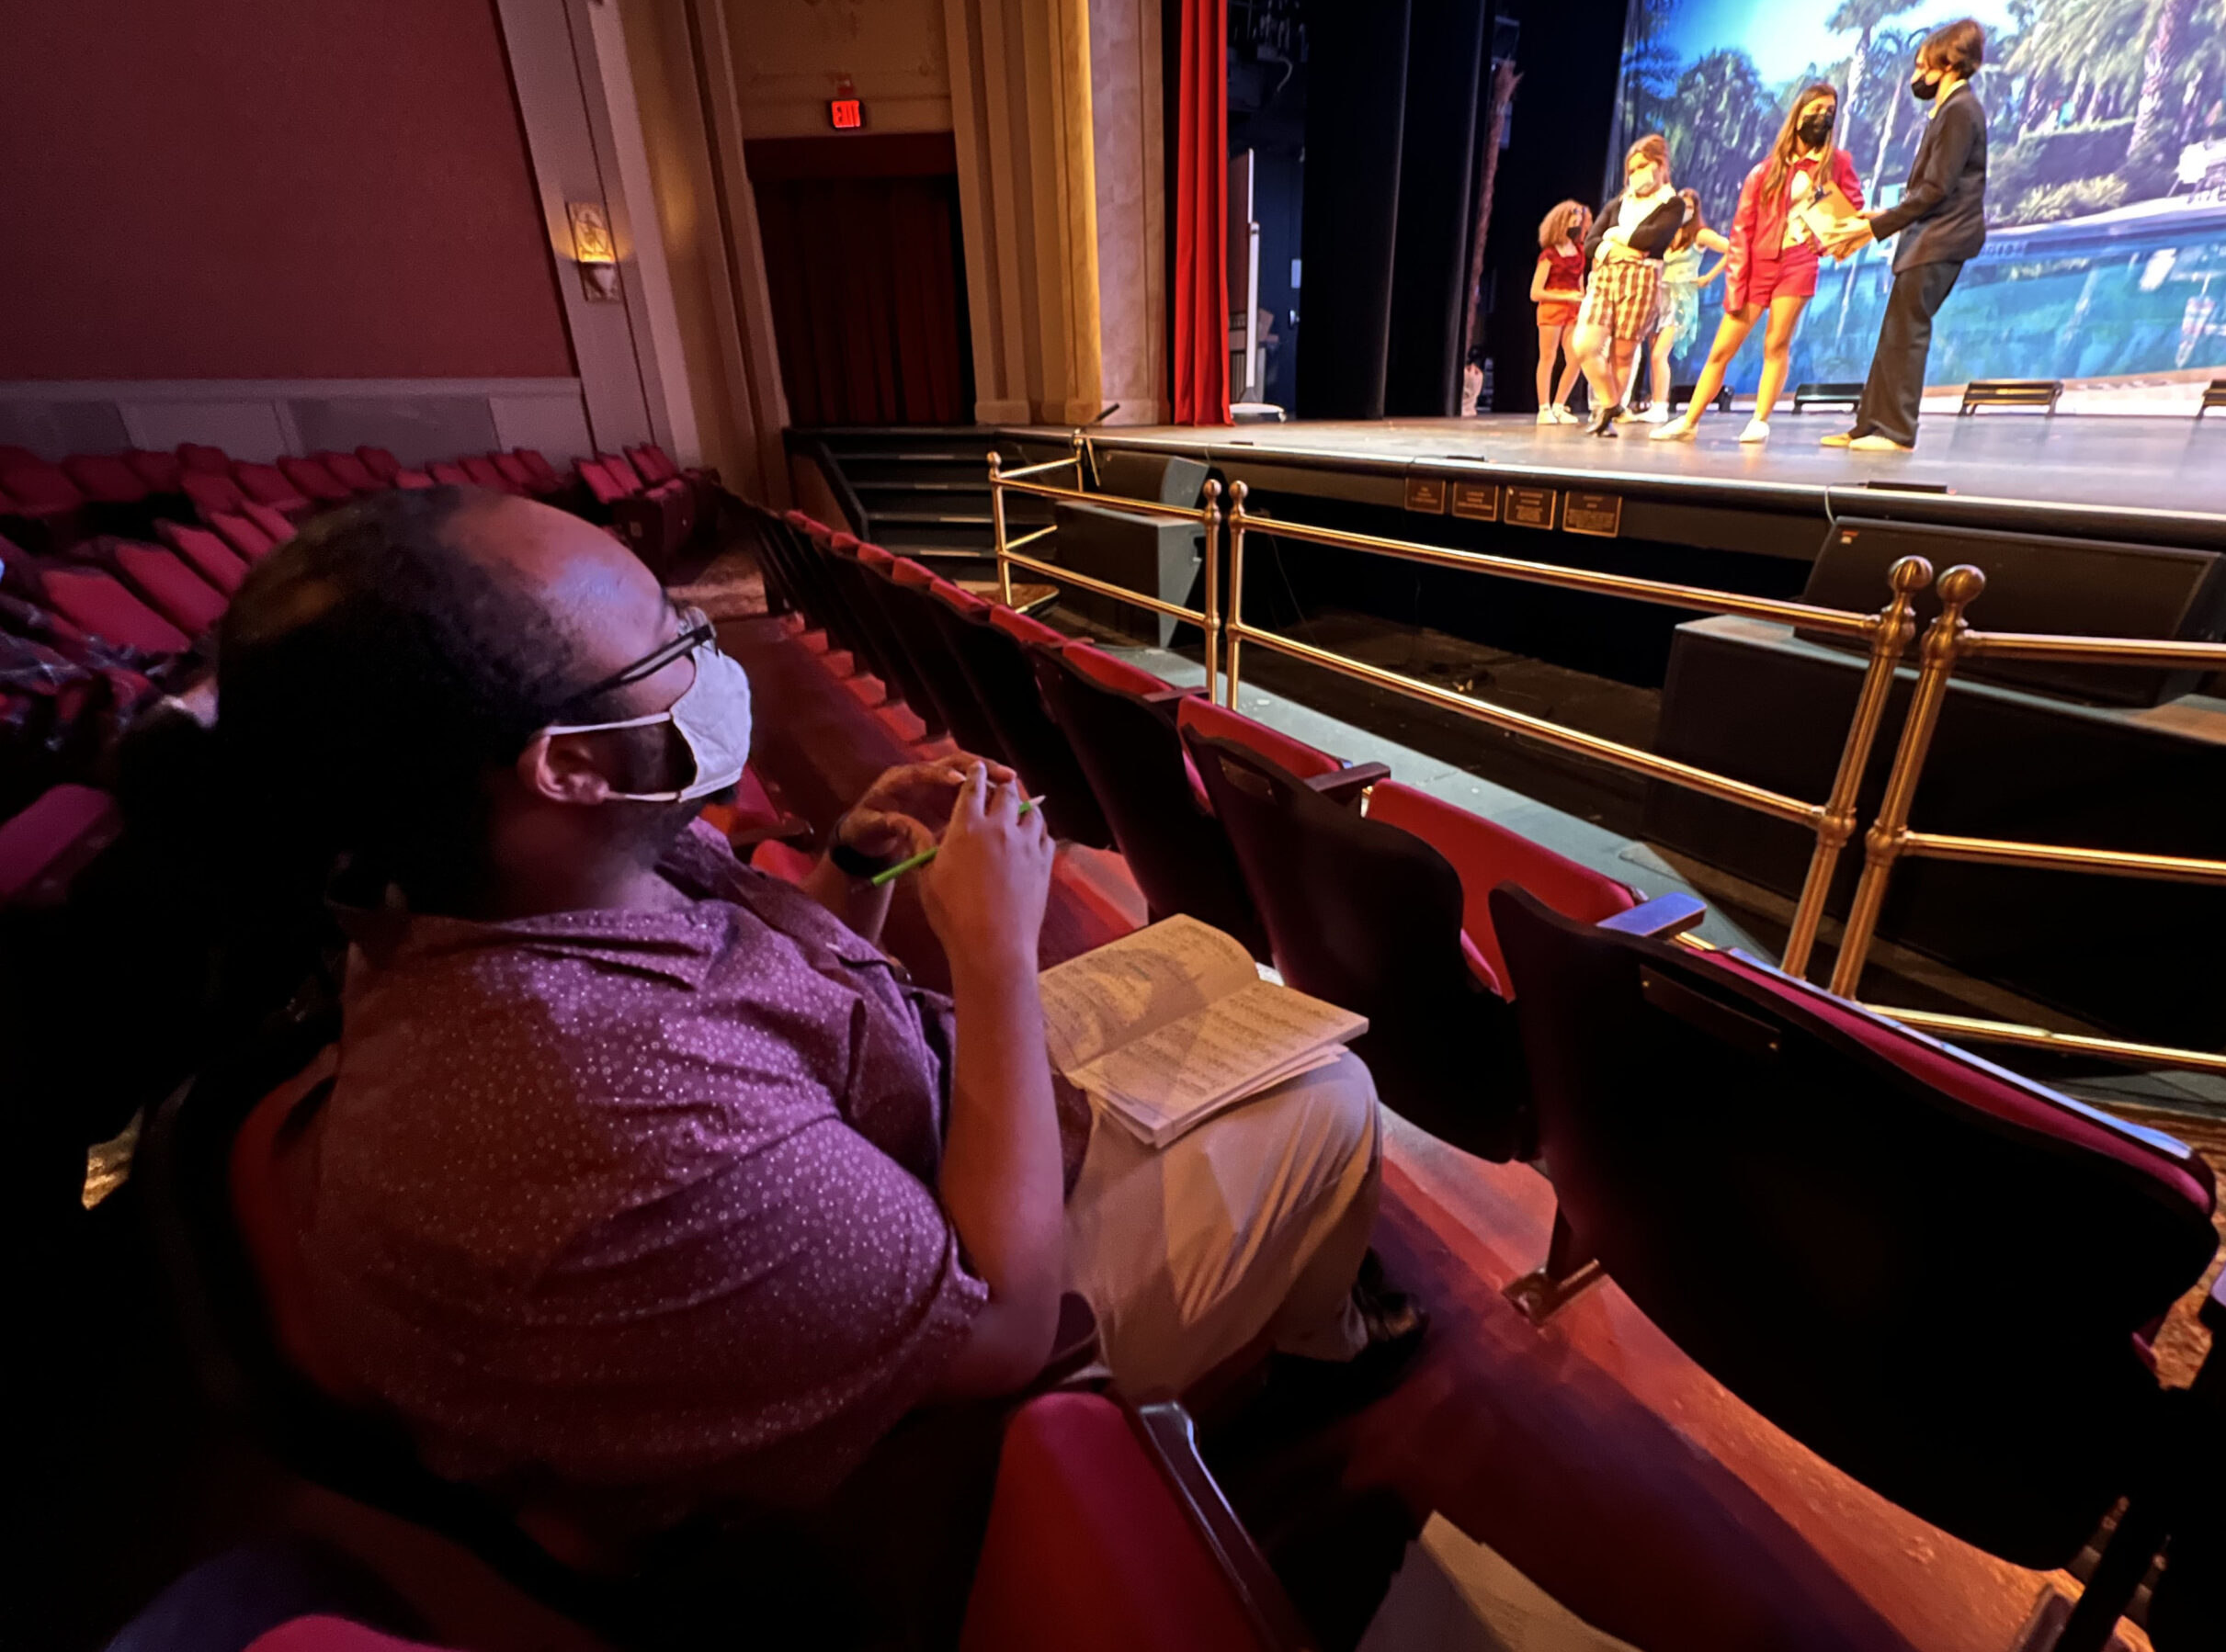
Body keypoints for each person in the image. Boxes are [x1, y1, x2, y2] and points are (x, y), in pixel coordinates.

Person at [210, 490, 1418, 1633]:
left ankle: (1282, 1286)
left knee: (1204, 970)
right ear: (566, 764)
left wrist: (850, 873)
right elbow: (995, 1331)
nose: (703, 644)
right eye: (665, 638)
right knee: (1328, 1090)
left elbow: (758, 1002)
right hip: (953, 1373)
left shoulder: (482, 882)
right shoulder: (609, 1111)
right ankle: (1303, 1354)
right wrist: (992, 955)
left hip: (879, 1140)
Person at [1652, 84, 1862, 446]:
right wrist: (1735, 286)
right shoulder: (1763, 172)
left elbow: (1853, 214)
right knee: (1722, 349)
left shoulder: (1837, 163)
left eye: (1829, 111)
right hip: (1759, 265)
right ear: (1797, 116)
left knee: (1776, 342)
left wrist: (1823, 243)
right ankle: (1689, 420)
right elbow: (1741, 232)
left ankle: (1760, 418)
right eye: (1815, 111)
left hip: (1798, 262)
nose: (1822, 118)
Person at [1823, 19, 1990, 453]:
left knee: (1909, 330)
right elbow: (1928, 188)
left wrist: (1873, 227)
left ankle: (1896, 432)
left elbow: (1937, 189)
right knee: (1894, 332)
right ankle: (1869, 423)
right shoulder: (1949, 109)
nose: (1917, 76)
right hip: (1927, 236)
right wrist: (1878, 218)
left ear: (1948, 65)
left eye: (1923, 66)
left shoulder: (1960, 111)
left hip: (1942, 238)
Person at [1572, 134, 1688, 437]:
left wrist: (1614, 237)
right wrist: (1617, 245)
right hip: (1606, 276)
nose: (1637, 175)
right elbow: (1591, 242)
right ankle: (1611, 403)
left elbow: (1651, 239)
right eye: (1632, 169)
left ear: (1660, 165)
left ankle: (1606, 416)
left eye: (1643, 166)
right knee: (1585, 344)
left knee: (1622, 355)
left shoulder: (1672, 205)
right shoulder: (1617, 204)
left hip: (1642, 280)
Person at [1634, 188, 1729, 424]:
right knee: (1654, 353)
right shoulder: (1667, 233)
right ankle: (1657, 402)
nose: (1684, 212)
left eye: (1688, 208)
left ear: (1695, 210)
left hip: (1681, 300)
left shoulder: (1700, 234)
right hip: (1659, 297)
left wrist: (1708, 277)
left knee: (1659, 354)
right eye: (1680, 207)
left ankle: (1660, 407)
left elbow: (1732, 249)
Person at [1528, 198, 1591, 424]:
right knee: (1548, 357)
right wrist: (1565, 296)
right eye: (1572, 218)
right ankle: (1543, 408)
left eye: (1578, 219)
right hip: (1552, 309)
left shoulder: (1580, 251)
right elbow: (1535, 292)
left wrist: (1582, 301)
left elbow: (1580, 283)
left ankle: (1559, 405)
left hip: (1573, 310)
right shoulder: (1549, 255)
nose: (1576, 222)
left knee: (1576, 357)